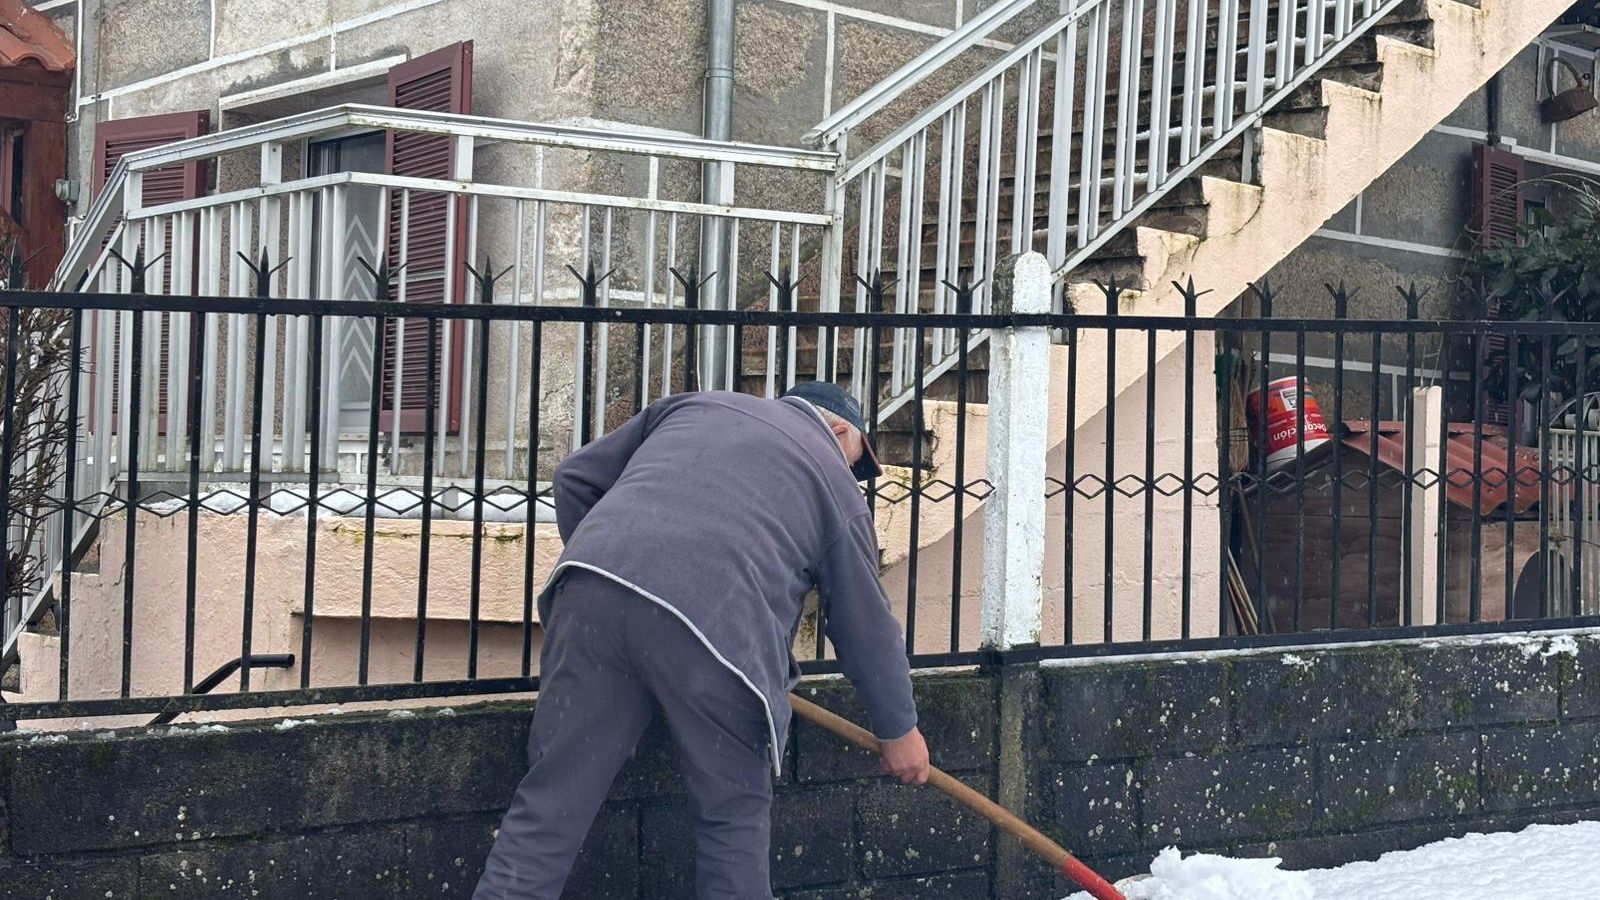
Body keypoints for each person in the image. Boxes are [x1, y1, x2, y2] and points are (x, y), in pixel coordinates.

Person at [473, 383, 930, 900]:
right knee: (731, 821)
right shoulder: (834, 483)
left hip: (589, 597)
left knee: (550, 805)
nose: (854, 476)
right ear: (841, 429)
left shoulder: (697, 404)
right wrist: (899, 730)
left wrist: (622, 577)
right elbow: (862, 624)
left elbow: (574, 477)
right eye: (858, 462)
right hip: (716, 635)